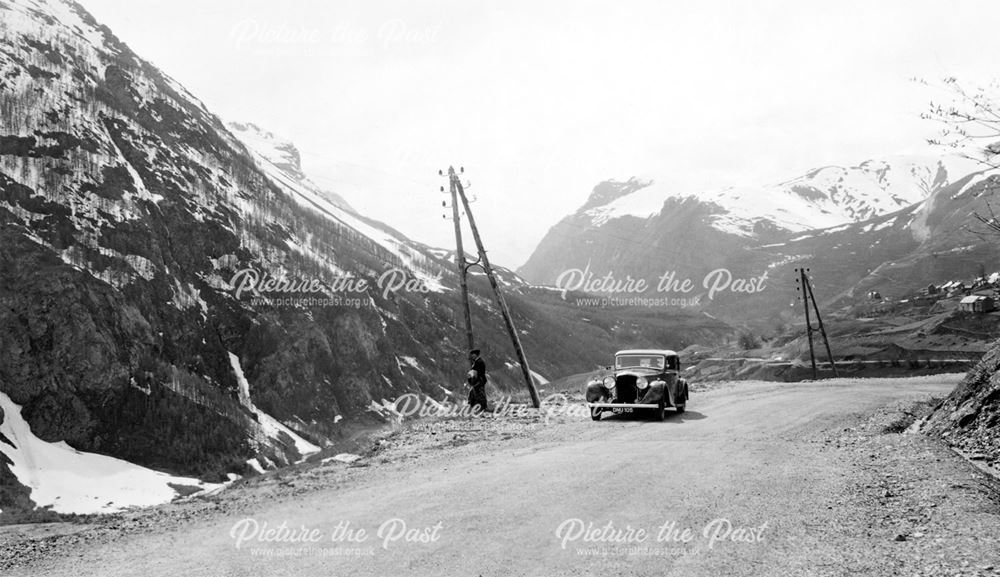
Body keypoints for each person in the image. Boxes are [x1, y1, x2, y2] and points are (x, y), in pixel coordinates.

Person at [466, 349, 488, 414]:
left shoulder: (479, 362)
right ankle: (476, 408)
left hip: (479, 381)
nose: (471, 356)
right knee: (473, 394)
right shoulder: (477, 361)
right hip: (478, 381)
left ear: (476, 354)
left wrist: (472, 376)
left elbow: (478, 372)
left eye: (472, 354)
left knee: (479, 395)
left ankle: (481, 408)